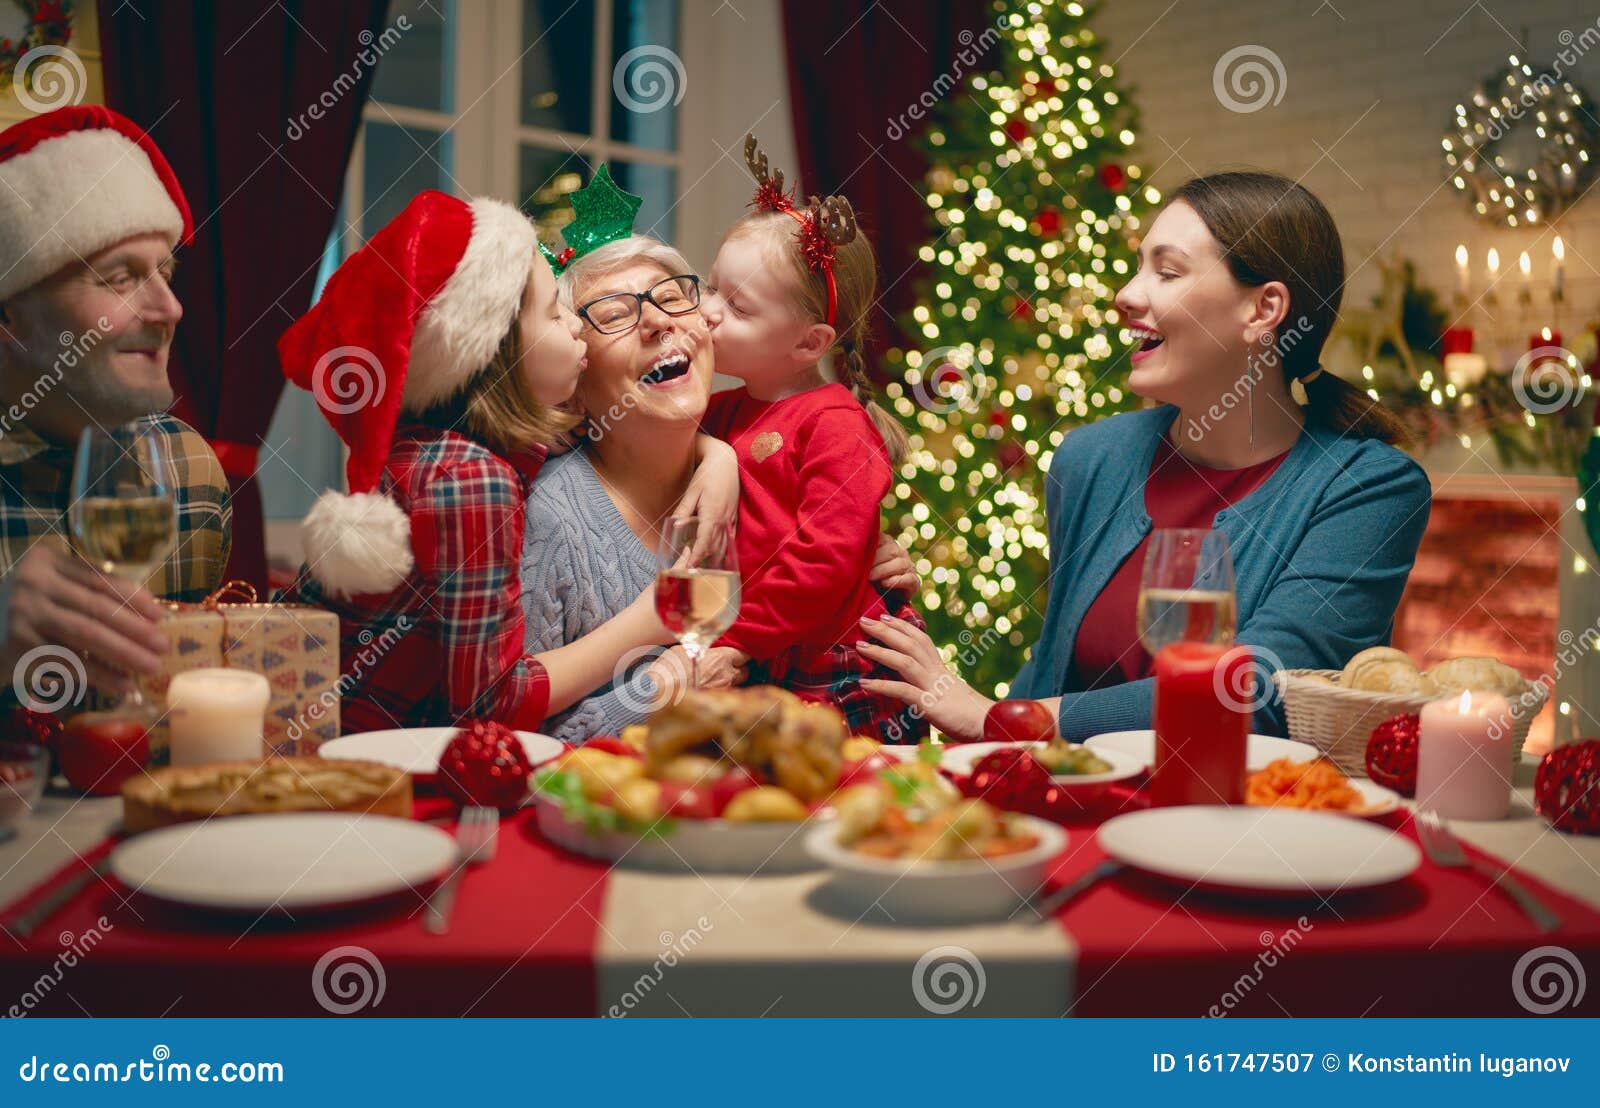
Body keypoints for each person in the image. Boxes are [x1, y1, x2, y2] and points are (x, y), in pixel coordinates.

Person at [859, 170, 1431, 741]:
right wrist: (882, 604)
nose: (1127, 295)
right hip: (1072, 817)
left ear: (1263, 310)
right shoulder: (1092, 459)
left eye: (1168, 271)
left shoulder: (1368, 488)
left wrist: (999, 719)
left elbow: (1263, 696)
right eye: (1139, 267)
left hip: (1239, 827)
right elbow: (1054, 669)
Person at [522, 229, 919, 743]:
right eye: (615, 314)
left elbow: (825, 550)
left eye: (671, 298)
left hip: (831, 701)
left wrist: (721, 455)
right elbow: (515, 732)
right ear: (575, 377)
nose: (659, 320)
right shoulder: (553, 519)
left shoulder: (755, 436)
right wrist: (671, 679)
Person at [279, 189, 590, 732]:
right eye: (553, 311)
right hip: (350, 774)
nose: (577, 324)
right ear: (495, 353)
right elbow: (489, 705)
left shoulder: (442, 453)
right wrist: (648, 624)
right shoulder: (471, 477)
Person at [693, 136, 928, 743]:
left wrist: (740, 639)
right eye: (711, 287)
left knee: (842, 808)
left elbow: (824, 559)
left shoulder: (834, 424)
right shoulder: (718, 411)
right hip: (765, 646)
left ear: (809, 344)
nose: (709, 312)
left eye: (738, 308)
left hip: (834, 660)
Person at [0, 105, 230, 701]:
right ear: (8, 315)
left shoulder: (187, 469)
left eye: (166, 272)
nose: (169, 309)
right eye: (119, 278)